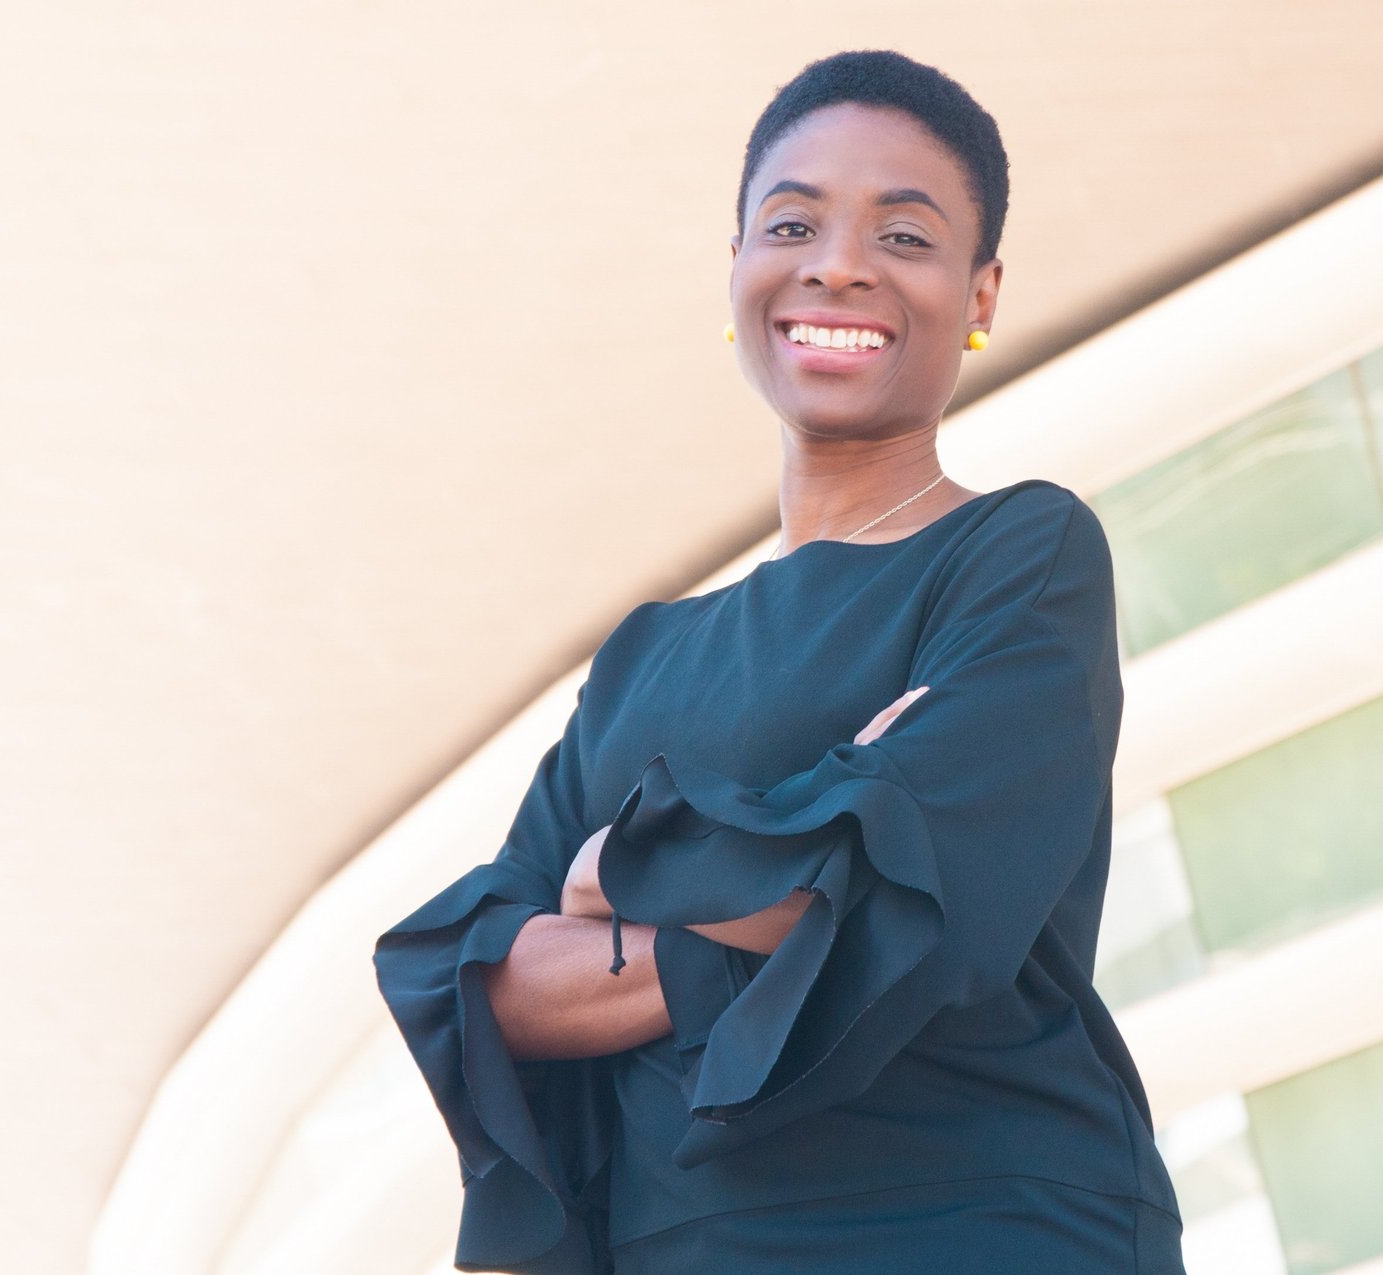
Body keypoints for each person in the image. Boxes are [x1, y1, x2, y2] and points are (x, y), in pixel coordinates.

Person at [373, 48, 1186, 1274]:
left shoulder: (1018, 552)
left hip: (982, 1227)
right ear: (741, 269)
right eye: (793, 222)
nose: (840, 263)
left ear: (981, 293)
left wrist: (608, 879)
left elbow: (910, 892)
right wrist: (779, 897)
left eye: (905, 237)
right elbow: (485, 987)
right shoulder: (647, 655)